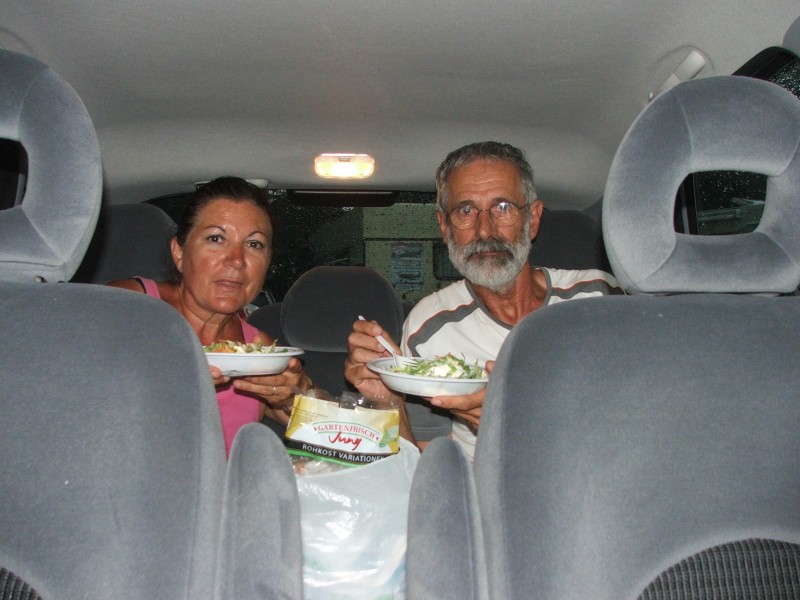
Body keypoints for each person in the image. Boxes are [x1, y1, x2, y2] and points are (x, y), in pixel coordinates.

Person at [345, 141, 622, 460]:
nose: (485, 231)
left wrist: (505, 422)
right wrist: (389, 400)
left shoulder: (601, 299)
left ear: (532, 219)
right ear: (444, 227)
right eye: (465, 211)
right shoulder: (428, 330)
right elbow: (425, 467)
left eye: (503, 207)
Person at [109, 176, 314, 456]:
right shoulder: (130, 305)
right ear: (179, 252)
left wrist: (298, 392)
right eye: (216, 239)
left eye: (254, 244)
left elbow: (329, 431)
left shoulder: (260, 351)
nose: (236, 260)